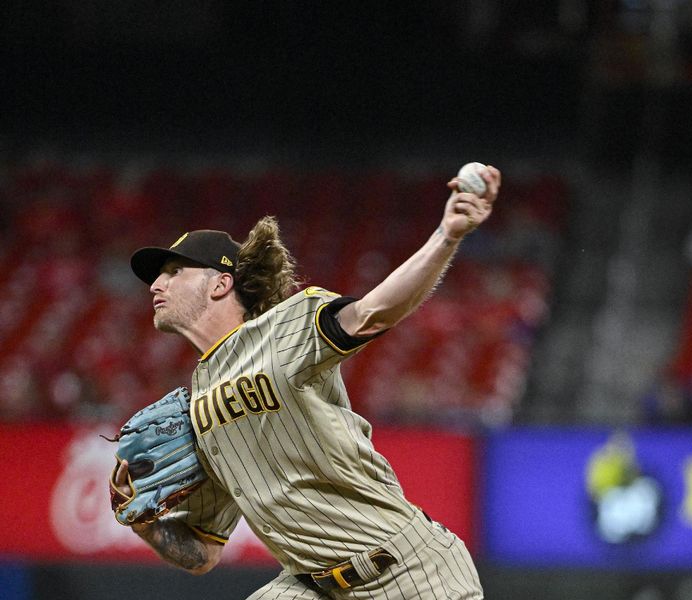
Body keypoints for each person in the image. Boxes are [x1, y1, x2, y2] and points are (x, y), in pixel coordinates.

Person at [111, 164, 501, 599]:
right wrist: (140, 517)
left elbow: (376, 312)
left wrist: (447, 235)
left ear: (220, 284)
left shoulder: (284, 328)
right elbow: (202, 553)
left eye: (173, 272)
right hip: (309, 586)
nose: (155, 285)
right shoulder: (196, 408)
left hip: (406, 571)